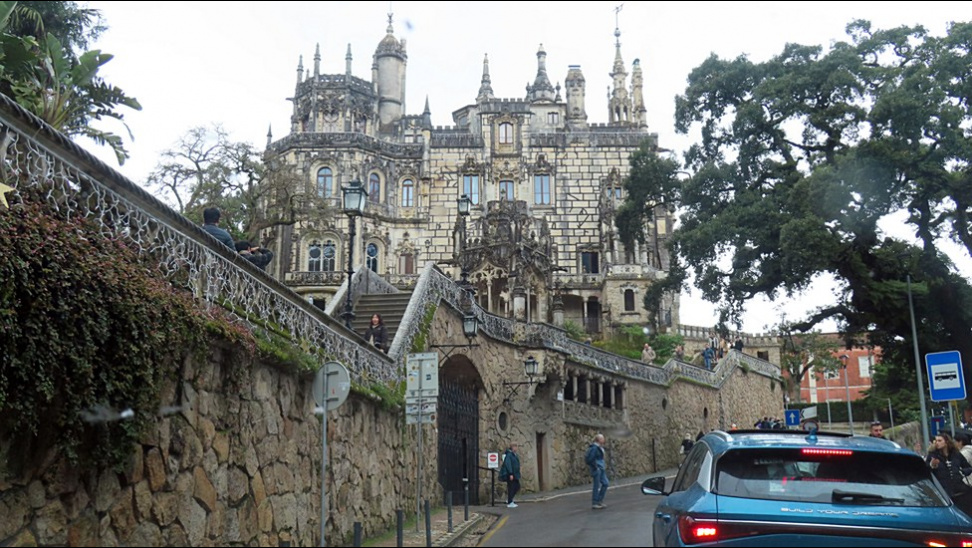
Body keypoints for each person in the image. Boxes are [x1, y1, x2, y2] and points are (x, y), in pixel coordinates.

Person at [926, 433, 972, 508]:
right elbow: (926, 471)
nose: (937, 443)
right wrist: (932, 465)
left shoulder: (956, 454)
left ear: (946, 442)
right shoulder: (933, 455)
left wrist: (962, 472)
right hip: (943, 491)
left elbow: (968, 467)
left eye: (940, 440)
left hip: (959, 490)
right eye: (936, 441)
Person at [585, 433, 609, 509]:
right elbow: (590, 459)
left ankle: (599, 500)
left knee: (605, 483)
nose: (604, 440)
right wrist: (596, 467)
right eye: (602, 438)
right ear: (599, 440)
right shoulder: (594, 448)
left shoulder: (600, 447)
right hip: (597, 469)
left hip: (601, 468)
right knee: (596, 485)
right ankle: (595, 502)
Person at [498, 442, 521, 508]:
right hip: (510, 474)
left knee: (517, 486)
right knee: (511, 487)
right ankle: (510, 502)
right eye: (515, 446)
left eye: (516, 446)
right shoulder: (509, 455)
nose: (516, 448)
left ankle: (510, 499)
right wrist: (510, 473)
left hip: (515, 474)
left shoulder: (514, 455)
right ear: (512, 447)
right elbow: (508, 464)